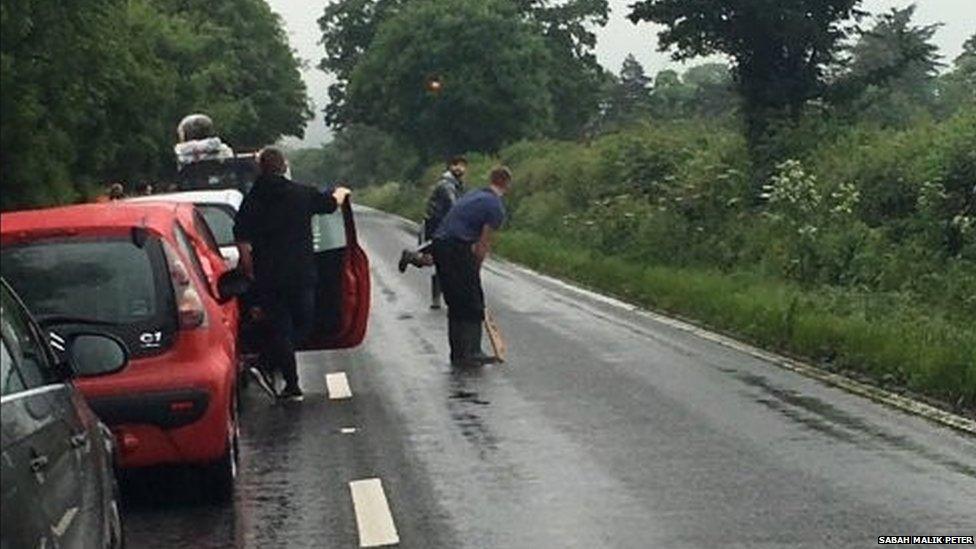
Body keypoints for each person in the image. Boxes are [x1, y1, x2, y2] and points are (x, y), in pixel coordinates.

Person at [233, 146, 351, 401]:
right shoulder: (300, 193)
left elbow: (241, 236)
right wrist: (341, 193)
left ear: (261, 168)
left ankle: (288, 380)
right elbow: (331, 204)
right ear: (283, 167)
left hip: (268, 276)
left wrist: (247, 267)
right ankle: (274, 365)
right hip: (301, 272)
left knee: (280, 328)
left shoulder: (252, 199)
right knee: (303, 324)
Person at [431, 166, 511, 367]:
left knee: (455, 301)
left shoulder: (474, 194)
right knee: (473, 300)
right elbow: (483, 243)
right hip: (457, 247)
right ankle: (472, 352)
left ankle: (458, 353)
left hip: (439, 244)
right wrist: (475, 268)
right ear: (506, 184)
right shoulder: (495, 206)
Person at [398, 156, 468, 309]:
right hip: (435, 226)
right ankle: (411, 257)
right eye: (456, 165)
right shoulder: (446, 185)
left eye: (462, 166)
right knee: (435, 260)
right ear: (450, 167)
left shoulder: (458, 185)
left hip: (444, 226)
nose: (459, 168)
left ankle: (437, 299)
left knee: (440, 261)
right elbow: (453, 206)